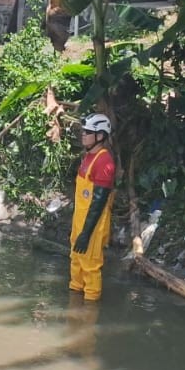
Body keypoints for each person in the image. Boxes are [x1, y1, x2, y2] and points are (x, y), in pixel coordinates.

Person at [69, 113, 115, 302]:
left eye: (88, 132)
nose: (84, 135)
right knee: (77, 262)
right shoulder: (88, 156)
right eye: (84, 132)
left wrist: (86, 233)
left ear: (100, 136)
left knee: (90, 266)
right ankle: (73, 303)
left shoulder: (104, 162)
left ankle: (89, 313)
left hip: (93, 225)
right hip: (79, 221)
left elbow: (98, 202)